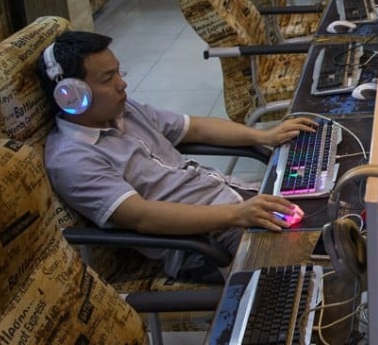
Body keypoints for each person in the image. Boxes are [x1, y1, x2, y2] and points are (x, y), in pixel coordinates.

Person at [37, 30, 320, 283]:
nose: (122, 84)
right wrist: (237, 215)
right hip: (204, 244)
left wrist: (265, 136)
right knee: (314, 268)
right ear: (71, 96)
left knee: (331, 215)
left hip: (237, 204)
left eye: (119, 72)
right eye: (107, 78)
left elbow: (194, 127)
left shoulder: (123, 111)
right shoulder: (73, 159)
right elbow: (141, 217)